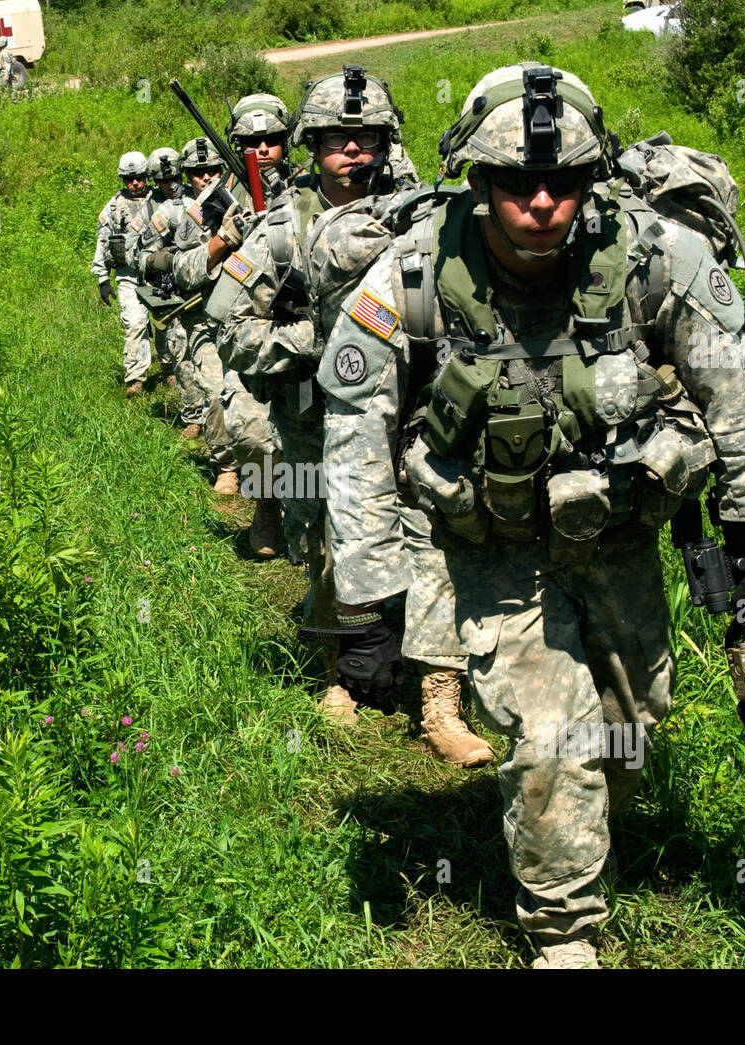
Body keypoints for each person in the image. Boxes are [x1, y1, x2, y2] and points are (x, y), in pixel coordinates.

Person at [308, 63, 745, 966]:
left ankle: (577, 826)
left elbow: (733, 401)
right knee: (549, 737)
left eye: (564, 181)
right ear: (476, 178)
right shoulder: (415, 275)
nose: (542, 202)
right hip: (492, 549)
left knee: (629, 724)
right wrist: (372, 597)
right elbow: (353, 430)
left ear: (591, 177)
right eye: (517, 183)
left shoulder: (654, 259)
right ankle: (563, 932)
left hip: (619, 533)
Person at [209, 67, 492, 764]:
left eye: (368, 138)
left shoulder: (426, 214)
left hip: (421, 408)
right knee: (333, 546)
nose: (355, 152)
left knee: (438, 538)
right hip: (315, 417)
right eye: (339, 139)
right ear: (313, 144)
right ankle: (343, 676)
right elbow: (229, 327)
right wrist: (314, 343)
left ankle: (439, 702)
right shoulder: (282, 228)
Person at [172, 99, 289, 512]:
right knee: (248, 428)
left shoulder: (312, 187)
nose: (261, 150)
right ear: (235, 147)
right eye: (250, 142)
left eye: (271, 140)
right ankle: (267, 506)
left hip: (301, 327)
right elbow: (182, 268)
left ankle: (308, 508)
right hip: (242, 329)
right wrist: (223, 240)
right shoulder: (215, 201)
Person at [137, 145, 208, 440]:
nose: (207, 178)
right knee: (184, 354)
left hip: (221, 293)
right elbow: (142, 257)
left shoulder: (223, 203)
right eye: (200, 173)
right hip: (183, 295)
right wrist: (162, 261)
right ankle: (194, 416)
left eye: (214, 172)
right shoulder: (169, 211)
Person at [92, 150, 154, 397]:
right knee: (135, 323)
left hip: (159, 272)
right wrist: (102, 279)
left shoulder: (159, 199)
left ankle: (171, 369)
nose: (135, 183)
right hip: (129, 274)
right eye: (129, 179)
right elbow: (103, 239)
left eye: (139, 177)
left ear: (146, 176)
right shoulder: (114, 206)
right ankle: (136, 379)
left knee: (168, 324)